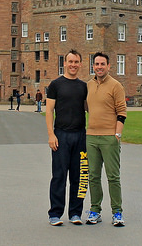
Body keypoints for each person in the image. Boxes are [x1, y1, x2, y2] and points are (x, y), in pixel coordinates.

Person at [45, 49, 88, 226]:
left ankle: (75, 213)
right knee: (59, 176)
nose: (73, 65)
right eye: (70, 61)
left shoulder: (84, 86)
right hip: (61, 135)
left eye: (76, 62)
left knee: (80, 176)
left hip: (80, 136)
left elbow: (90, 108)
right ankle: (55, 213)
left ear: (80, 64)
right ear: (64, 63)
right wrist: (51, 134)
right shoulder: (56, 85)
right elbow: (49, 111)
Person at [85, 52, 127, 227]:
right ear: (93, 66)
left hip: (110, 137)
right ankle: (95, 210)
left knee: (113, 176)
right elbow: (87, 108)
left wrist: (117, 135)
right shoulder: (88, 85)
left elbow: (122, 112)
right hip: (91, 137)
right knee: (93, 176)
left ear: (109, 66)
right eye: (96, 64)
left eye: (102, 64)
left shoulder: (116, 86)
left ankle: (117, 212)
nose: (99, 67)